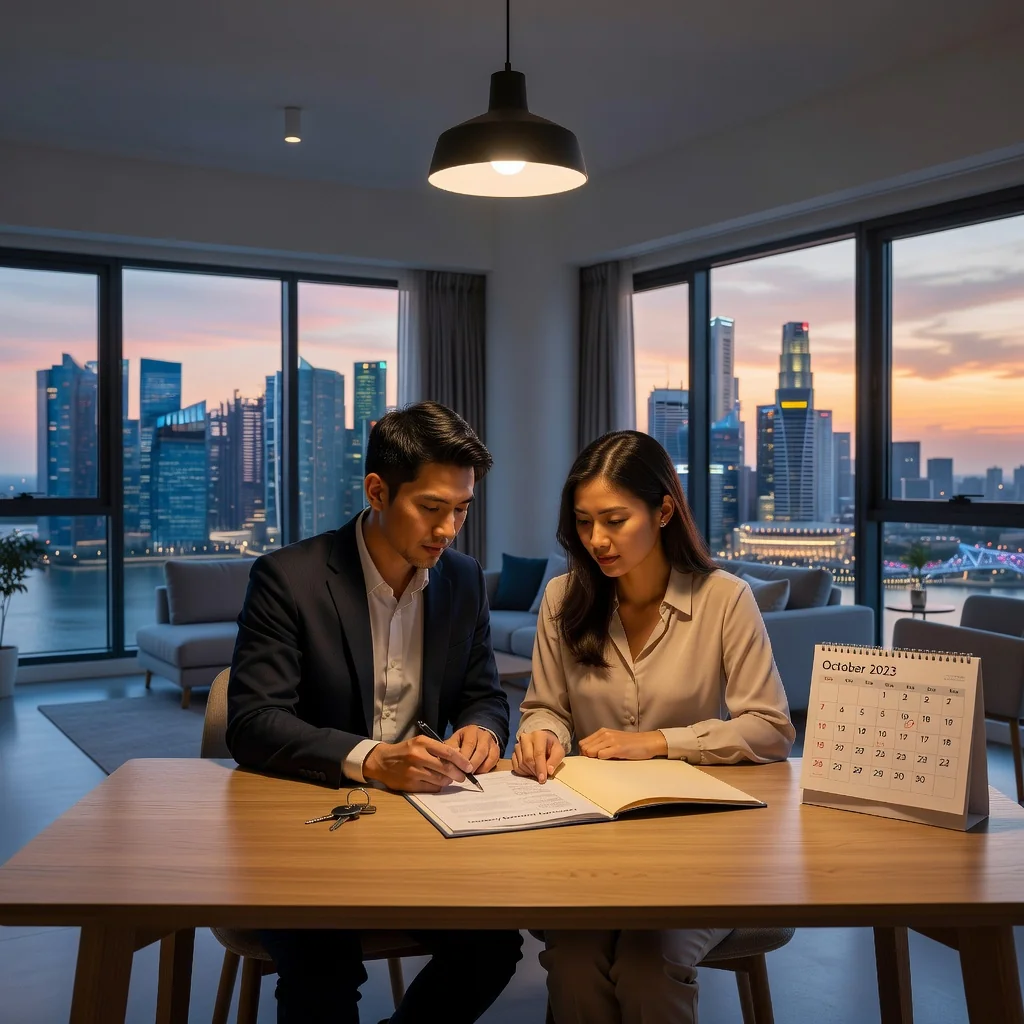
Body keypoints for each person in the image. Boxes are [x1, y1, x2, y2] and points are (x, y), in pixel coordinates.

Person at [227, 401, 523, 1024]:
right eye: (432, 508)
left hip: (423, 829)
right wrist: (370, 760)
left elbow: (484, 694)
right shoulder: (288, 578)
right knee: (322, 974)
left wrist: (482, 729)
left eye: (462, 509)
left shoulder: (463, 580)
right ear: (378, 490)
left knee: (495, 946)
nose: (449, 529)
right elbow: (253, 722)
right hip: (310, 829)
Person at [512, 429, 794, 1024]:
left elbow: (769, 728)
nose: (597, 540)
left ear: (664, 509)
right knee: (574, 960)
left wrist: (661, 743)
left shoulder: (725, 600)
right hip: (584, 842)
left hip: (697, 848)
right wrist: (542, 733)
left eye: (614, 520)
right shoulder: (563, 598)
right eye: (585, 522)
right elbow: (545, 707)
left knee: (647, 962)